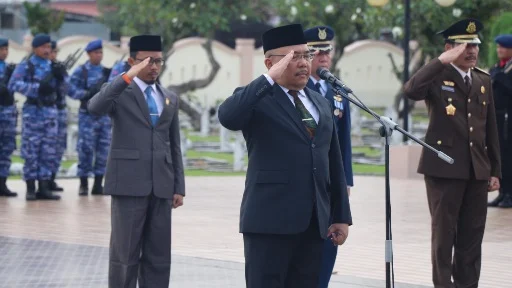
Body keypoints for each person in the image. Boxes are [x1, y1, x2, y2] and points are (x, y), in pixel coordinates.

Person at [217, 24, 352, 288]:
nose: (303, 63)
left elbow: (333, 162)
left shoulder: (320, 102)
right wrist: (269, 79)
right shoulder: (258, 98)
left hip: (314, 224)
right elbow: (228, 117)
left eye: (306, 55)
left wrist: (340, 216)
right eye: (294, 57)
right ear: (270, 62)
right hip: (270, 223)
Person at [404, 18, 501, 288]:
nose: (471, 51)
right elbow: (411, 90)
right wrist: (441, 61)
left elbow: (490, 129)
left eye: (474, 45)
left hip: (477, 171)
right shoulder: (438, 76)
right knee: (444, 237)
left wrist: (494, 171)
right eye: (464, 46)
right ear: (449, 48)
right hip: (444, 170)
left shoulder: (483, 80)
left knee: (471, 239)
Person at [87, 34, 185, 287]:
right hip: (128, 184)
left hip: (162, 186)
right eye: (147, 61)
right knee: (125, 253)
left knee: (159, 255)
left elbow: (174, 145)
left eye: (158, 62)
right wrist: (127, 76)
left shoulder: (169, 97)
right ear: (132, 61)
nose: (153, 67)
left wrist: (178, 187)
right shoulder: (121, 91)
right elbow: (95, 107)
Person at [303, 25, 354, 287]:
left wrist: (346, 181)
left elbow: (344, 141)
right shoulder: (298, 90)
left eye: (327, 51)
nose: (323, 57)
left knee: (329, 241)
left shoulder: (337, 91)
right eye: (316, 52)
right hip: (306, 177)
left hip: (332, 180)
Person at [8, 33, 67, 201]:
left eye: (49, 47)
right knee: (31, 151)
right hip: (34, 113)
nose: (47, 50)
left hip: (51, 112)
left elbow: (64, 90)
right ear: (35, 48)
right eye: (44, 47)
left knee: (48, 152)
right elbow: (14, 84)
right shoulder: (27, 66)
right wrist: (37, 89)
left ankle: (44, 187)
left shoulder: (53, 66)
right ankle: (31, 188)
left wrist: (61, 77)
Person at [68, 39, 112, 196]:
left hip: (103, 117)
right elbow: (69, 88)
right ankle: (83, 184)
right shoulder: (81, 71)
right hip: (87, 116)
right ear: (88, 54)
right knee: (85, 149)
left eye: (101, 52)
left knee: (103, 150)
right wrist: (85, 94)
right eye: (96, 53)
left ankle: (98, 184)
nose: (99, 55)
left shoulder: (106, 72)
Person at [488, 34, 512, 208]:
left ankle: (510, 194)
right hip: (497, 116)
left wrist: (500, 77)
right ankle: (502, 192)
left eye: (502, 47)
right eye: (498, 47)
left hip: (509, 118)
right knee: (500, 156)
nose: (499, 50)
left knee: (509, 156)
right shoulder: (498, 67)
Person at [48, 40, 66, 192]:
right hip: (47, 111)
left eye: (55, 52)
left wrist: (62, 76)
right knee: (46, 148)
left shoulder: (58, 68)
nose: (54, 55)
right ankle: (43, 181)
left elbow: (68, 88)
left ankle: (51, 179)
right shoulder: (43, 68)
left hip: (60, 111)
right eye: (52, 52)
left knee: (58, 148)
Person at [0, 37, 17, 197]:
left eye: (6, 49)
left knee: (6, 149)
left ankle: (3, 183)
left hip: (8, 113)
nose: (4, 52)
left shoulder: (9, 68)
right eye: (2, 49)